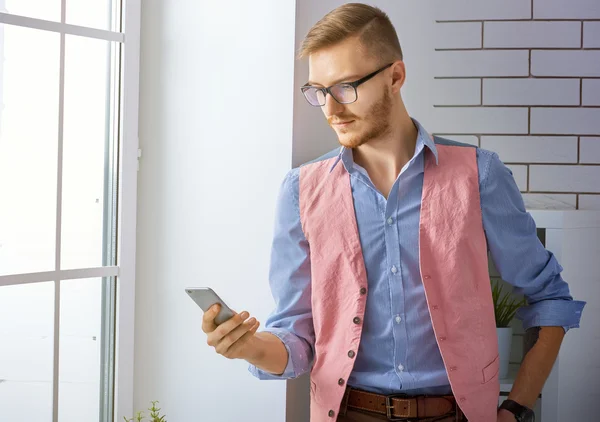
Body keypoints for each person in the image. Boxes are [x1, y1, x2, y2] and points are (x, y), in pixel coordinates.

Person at [201, 3, 586, 422]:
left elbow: (550, 297)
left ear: (395, 77)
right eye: (319, 91)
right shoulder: (301, 191)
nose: (331, 109)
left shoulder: (480, 175)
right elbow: (296, 340)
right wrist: (248, 347)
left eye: (346, 87)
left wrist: (516, 408)